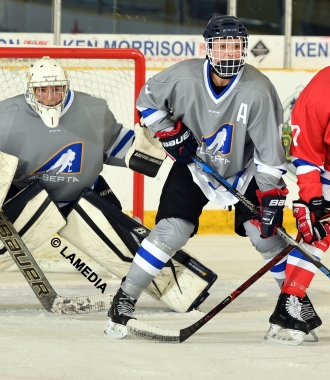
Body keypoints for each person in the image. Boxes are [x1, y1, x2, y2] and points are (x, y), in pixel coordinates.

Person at [106, 15, 317, 343]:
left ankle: (294, 305)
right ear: (209, 48)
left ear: (244, 50)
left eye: (236, 46)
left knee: (266, 238)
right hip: (194, 165)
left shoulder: (259, 91)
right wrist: (169, 132)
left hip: (243, 170)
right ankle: (125, 297)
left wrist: (269, 197)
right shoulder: (184, 76)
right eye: (222, 46)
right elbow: (147, 103)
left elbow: (268, 157)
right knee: (170, 232)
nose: (229, 53)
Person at [0, 56, 215, 314]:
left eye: (56, 88)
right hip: (27, 201)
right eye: (42, 90)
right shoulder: (6, 116)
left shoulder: (92, 110)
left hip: (80, 199)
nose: (50, 96)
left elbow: (124, 149)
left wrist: (148, 144)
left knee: (135, 255)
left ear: (65, 87)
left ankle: (182, 287)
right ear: (30, 90)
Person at [265, 67, 330, 345]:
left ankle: (288, 304)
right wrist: (314, 199)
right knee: (317, 232)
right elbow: (306, 155)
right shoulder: (320, 92)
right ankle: (290, 302)